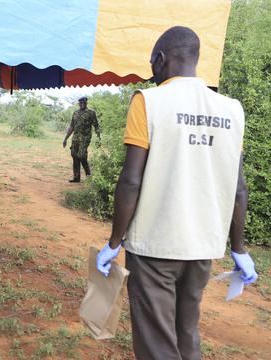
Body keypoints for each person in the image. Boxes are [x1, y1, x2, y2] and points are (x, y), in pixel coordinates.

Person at [95, 26, 258, 360]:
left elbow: (130, 181)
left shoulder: (148, 102)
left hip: (155, 247)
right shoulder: (232, 110)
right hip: (202, 249)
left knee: (157, 341)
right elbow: (239, 189)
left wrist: (114, 243)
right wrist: (239, 249)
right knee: (187, 332)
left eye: (152, 63)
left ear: (160, 59)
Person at [63, 97, 101, 182]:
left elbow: (96, 126)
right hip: (75, 138)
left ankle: (88, 175)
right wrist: (65, 139)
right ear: (78, 103)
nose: (82, 104)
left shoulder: (91, 113)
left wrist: (99, 138)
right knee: (74, 155)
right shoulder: (75, 113)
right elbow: (71, 127)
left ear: (86, 103)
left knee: (82, 156)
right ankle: (76, 177)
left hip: (85, 138)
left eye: (83, 102)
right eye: (80, 102)